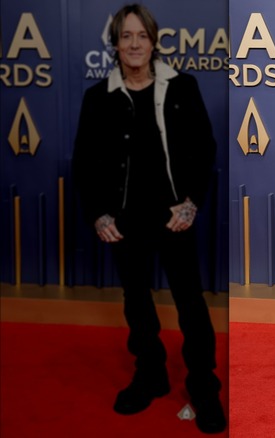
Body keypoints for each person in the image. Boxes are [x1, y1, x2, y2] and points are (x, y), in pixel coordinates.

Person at [71, 4, 226, 434]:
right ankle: (151, 375)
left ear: (154, 41)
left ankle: (203, 385)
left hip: (175, 216)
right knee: (136, 302)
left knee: (191, 305)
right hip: (124, 220)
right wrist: (98, 214)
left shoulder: (182, 87)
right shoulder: (97, 97)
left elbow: (204, 149)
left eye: (142, 36)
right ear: (116, 45)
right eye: (126, 37)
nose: (134, 44)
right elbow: (84, 162)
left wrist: (191, 202)